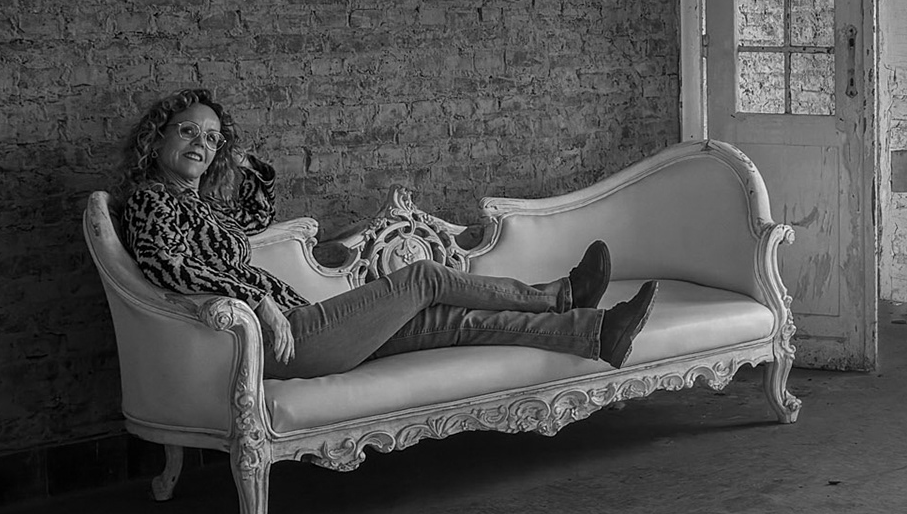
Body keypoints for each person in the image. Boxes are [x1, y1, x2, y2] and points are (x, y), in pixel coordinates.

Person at [116, 88, 655, 380]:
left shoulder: (202, 206)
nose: (201, 143)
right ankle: (558, 294)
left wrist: (242, 161)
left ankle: (594, 331)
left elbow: (255, 218)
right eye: (188, 131)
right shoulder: (150, 200)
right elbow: (169, 266)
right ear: (158, 138)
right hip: (286, 339)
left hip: (307, 326)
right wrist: (258, 301)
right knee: (423, 277)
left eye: (212, 138)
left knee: (450, 320)